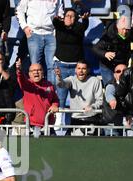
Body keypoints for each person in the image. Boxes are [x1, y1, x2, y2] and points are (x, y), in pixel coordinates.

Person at [52, 7, 89, 135]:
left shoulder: (78, 29)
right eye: (67, 15)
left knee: (77, 96)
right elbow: (55, 22)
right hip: (61, 66)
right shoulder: (60, 27)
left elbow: (84, 25)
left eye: (72, 16)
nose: (69, 18)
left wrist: (84, 19)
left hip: (75, 68)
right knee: (61, 95)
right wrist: (57, 18)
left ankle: (76, 122)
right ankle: (59, 120)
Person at [16, 0, 64, 84]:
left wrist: (58, 22)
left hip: (51, 34)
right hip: (34, 33)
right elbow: (19, 10)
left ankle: (50, 93)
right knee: (35, 66)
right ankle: (37, 93)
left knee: (52, 66)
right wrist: (24, 27)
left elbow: (60, 12)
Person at [55, 60, 103, 133]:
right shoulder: (71, 79)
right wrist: (59, 77)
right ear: (75, 70)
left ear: (88, 70)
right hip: (75, 118)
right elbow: (62, 84)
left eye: (83, 69)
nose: (81, 71)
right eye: (79, 68)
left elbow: (100, 100)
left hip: (91, 118)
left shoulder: (95, 81)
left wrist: (92, 107)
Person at [16, 58, 59, 133]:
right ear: (29, 74)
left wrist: (55, 105)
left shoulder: (49, 85)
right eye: (33, 71)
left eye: (39, 70)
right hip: (32, 126)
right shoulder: (27, 84)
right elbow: (21, 78)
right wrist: (19, 70)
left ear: (43, 73)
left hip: (48, 125)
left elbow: (55, 99)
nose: (36, 72)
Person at [93, 15, 133, 86]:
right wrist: (105, 54)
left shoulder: (130, 33)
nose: (125, 32)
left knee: (123, 86)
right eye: (123, 29)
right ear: (117, 27)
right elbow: (95, 48)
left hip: (122, 64)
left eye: (127, 29)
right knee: (110, 86)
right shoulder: (109, 35)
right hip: (108, 65)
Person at [102, 63, 128, 136]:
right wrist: (112, 100)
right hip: (112, 122)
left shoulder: (132, 84)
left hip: (129, 121)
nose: (121, 73)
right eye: (118, 71)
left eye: (124, 71)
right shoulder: (111, 85)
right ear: (114, 75)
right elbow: (109, 93)